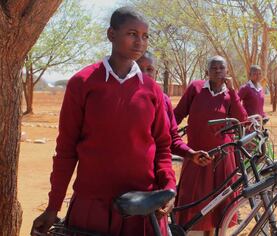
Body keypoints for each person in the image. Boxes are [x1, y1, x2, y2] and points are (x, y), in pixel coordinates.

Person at [31, 7, 175, 236]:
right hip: (92, 209)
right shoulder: (83, 83)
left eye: (145, 36)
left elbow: (163, 147)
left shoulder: (152, 91)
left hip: (141, 210)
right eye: (132, 34)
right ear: (111, 34)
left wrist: (168, 187)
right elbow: (66, 150)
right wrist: (53, 207)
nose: (140, 42)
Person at [173, 55, 247, 236]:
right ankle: (193, 232)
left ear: (227, 72)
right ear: (206, 72)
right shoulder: (196, 88)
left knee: (221, 199)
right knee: (193, 196)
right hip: (196, 154)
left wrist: (233, 93)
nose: (217, 71)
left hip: (222, 156)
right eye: (213, 68)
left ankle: (216, 232)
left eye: (221, 68)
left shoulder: (230, 95)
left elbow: (242, 120)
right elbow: (177, 114)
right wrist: (166, 132)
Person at [136, 51, 211, 167]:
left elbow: (172, 139)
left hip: (158, 170)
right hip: (130, 172)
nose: (144, 73)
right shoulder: (121, 99)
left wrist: (191, 154)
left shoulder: (164, 100)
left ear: (156, 73)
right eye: (138, 68)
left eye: (149, 69)